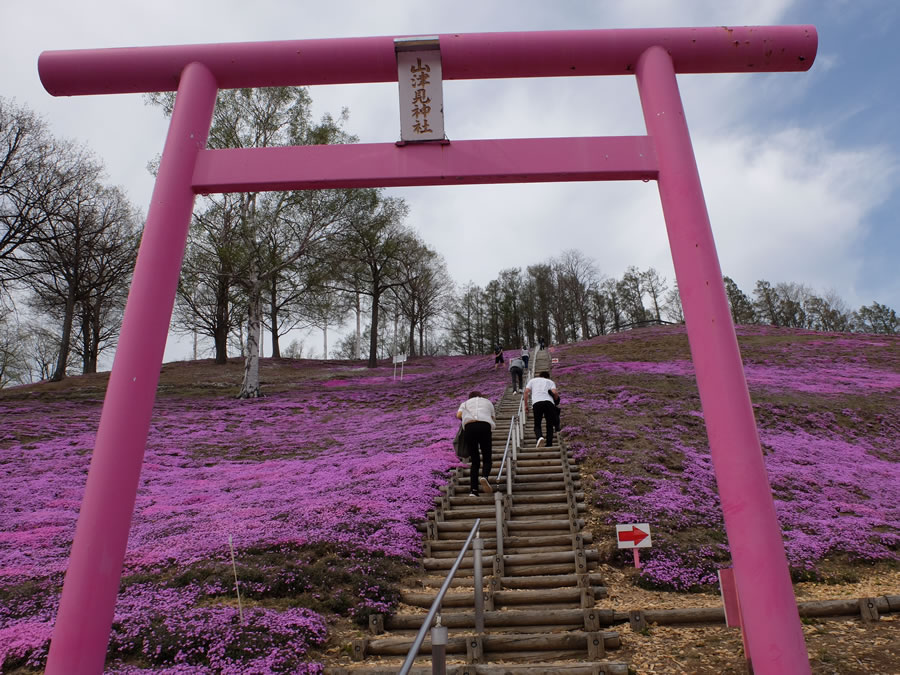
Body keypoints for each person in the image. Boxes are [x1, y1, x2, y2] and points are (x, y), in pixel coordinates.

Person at [456, 391, 496, 496]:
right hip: (485, 426)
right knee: (487, 457)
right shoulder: (488, 402)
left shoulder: (465, 403)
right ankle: (485, 477)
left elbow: (458, 415)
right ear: (481, 396)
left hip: (470, 428)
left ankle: (473, 490)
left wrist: (465, 417)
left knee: (475, 461)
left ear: (469, 397)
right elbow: (492, 418)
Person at [524, 370, 558, 448]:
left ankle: (539, 437)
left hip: (537, 402)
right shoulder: (550, 382)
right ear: (547, 376)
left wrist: (526, 405)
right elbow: (555, 393)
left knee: (537, 423)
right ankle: (549, 444)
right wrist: (555, 400)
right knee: (549, 424)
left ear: (539, 375)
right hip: (549, 403)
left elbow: (526, 392)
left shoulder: (532, 380)